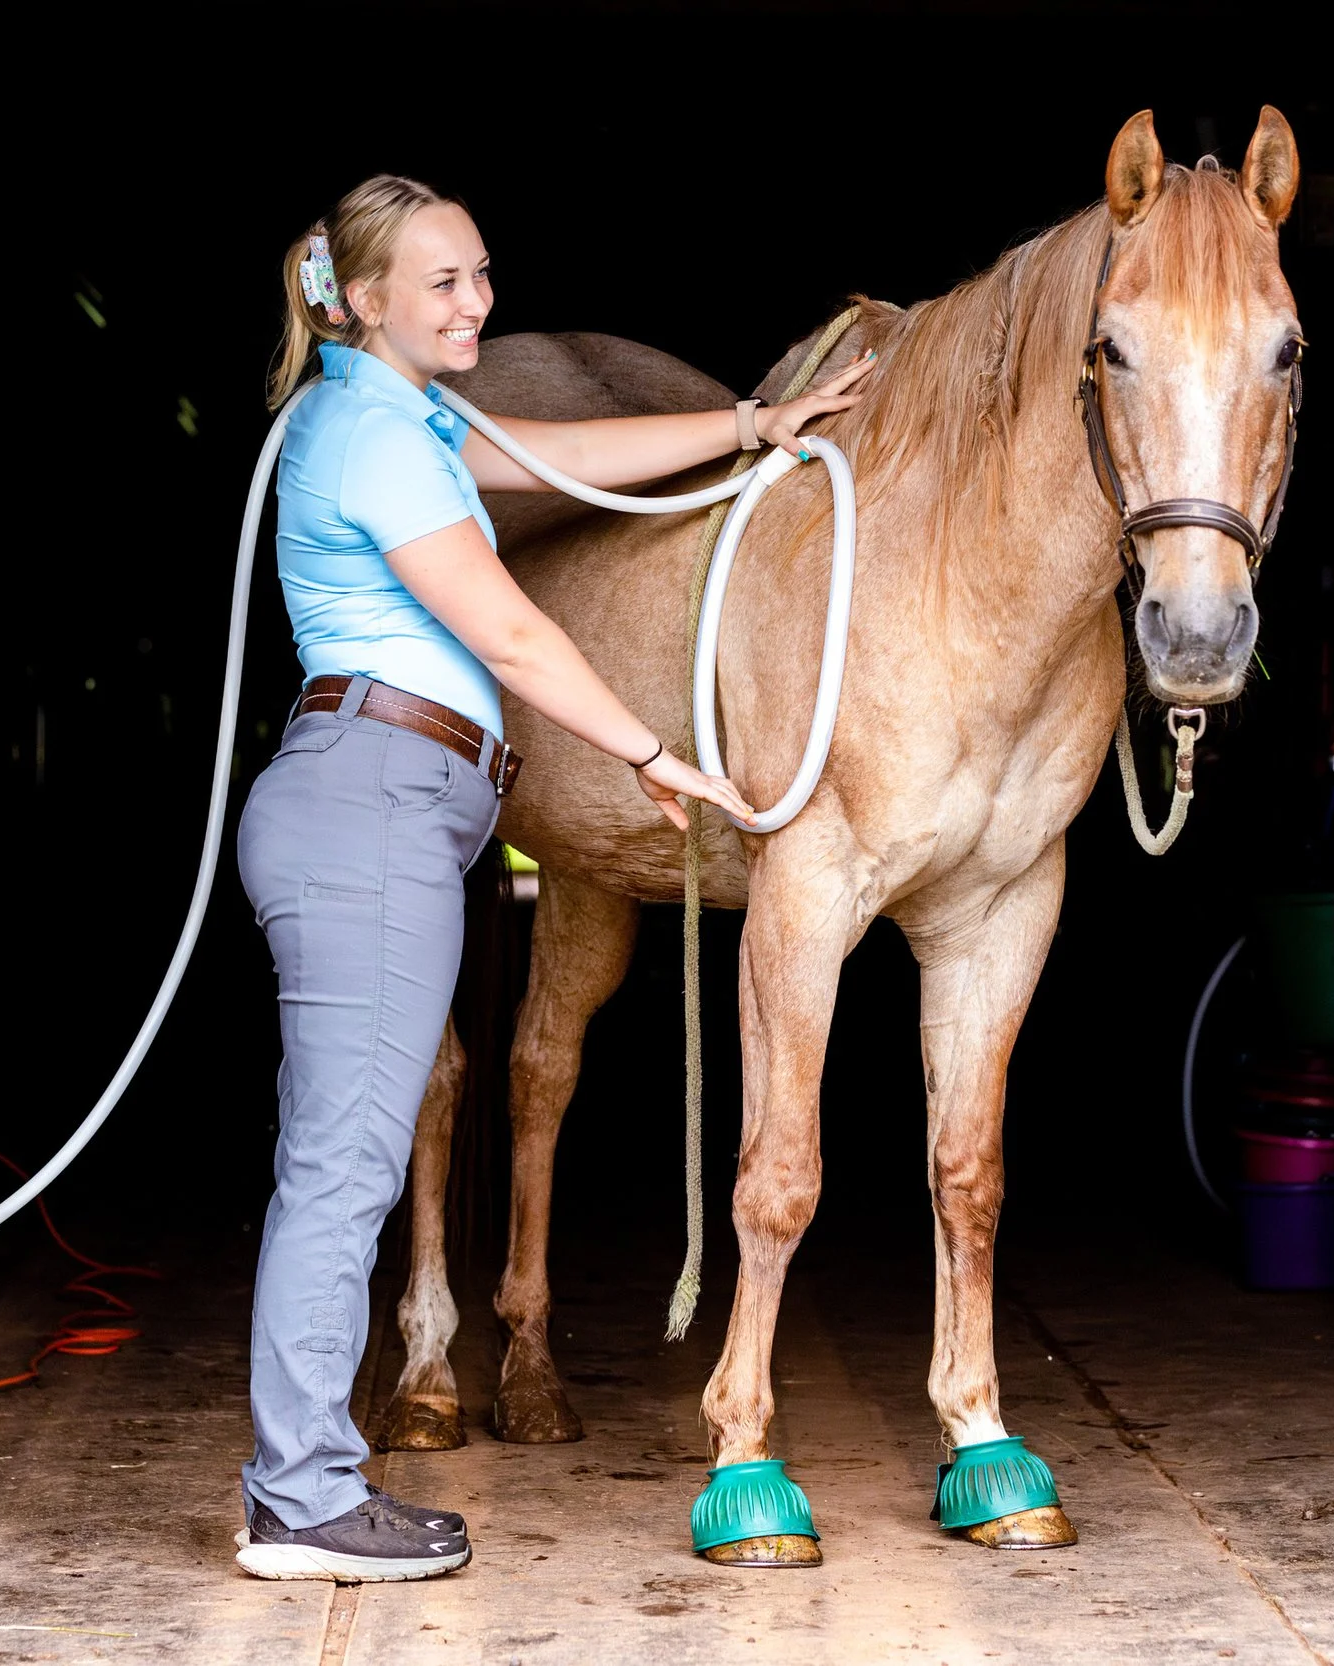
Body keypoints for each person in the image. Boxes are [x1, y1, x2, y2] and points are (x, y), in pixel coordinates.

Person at [232, 173, 871, 1582]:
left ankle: (306, 1483)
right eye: (447, 281)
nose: (480, 300)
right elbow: (512, 636)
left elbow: (572, 461)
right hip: (370, 806)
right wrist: (653, 748)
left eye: (481, 274)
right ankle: (299, 1496)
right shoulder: (372, 437)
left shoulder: (412, 421)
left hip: (385, 804)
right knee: (341, 1174)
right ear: (368, 300)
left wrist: (753, 426)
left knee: (334, 1162)